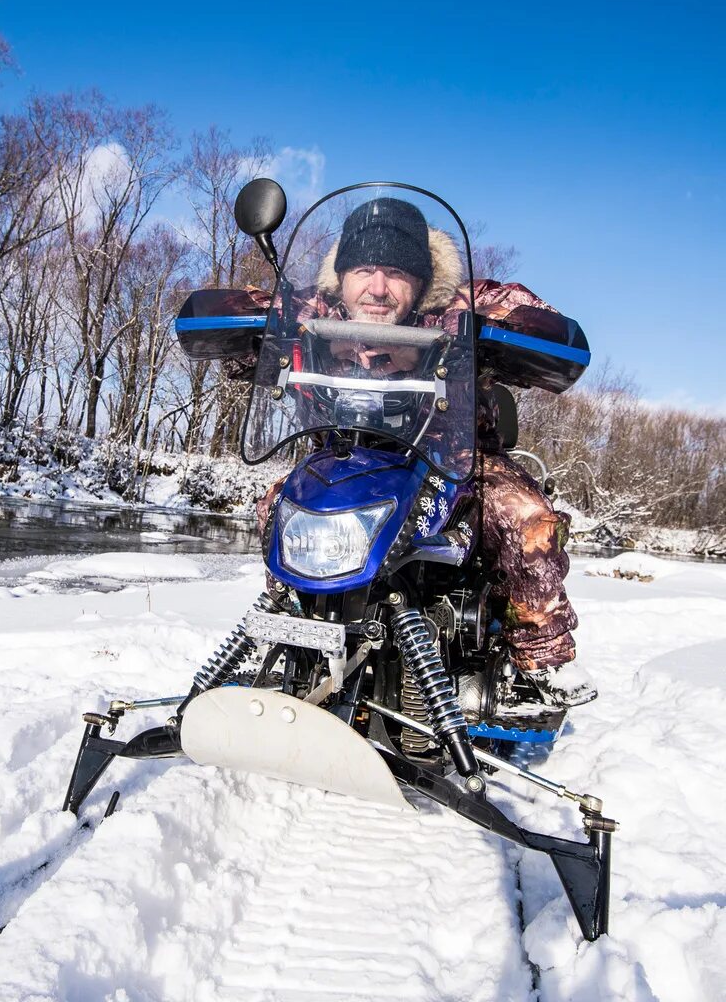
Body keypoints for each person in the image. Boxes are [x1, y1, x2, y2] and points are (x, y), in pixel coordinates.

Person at [248, 197, 597, 709]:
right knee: (275, 505)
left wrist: (498, 329)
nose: (378, 287)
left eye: (395, 272)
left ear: (422, 279)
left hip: (455, 457)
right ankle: (292, 627)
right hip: (348, 455)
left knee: (528, 519)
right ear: (341, 277)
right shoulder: (313, 309)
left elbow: (540, 320)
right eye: (364, 269)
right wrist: (237, 321)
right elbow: (252, 309)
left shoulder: (460, 306)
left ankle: (541, 655)